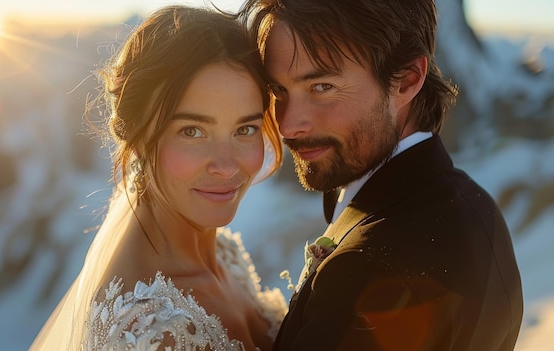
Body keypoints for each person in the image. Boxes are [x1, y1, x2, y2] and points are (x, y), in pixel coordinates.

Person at [240, 0, 524, 350]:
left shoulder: (365, 272)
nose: (287, 125)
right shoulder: (478, 206)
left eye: (322, 87)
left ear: (406, 80)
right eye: (278, 90)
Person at [29, 5, 287, 351]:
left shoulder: (222, 252)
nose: (226, 166)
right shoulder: (149, 330)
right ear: (136, 138)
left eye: (245, 128)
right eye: (192, 131)